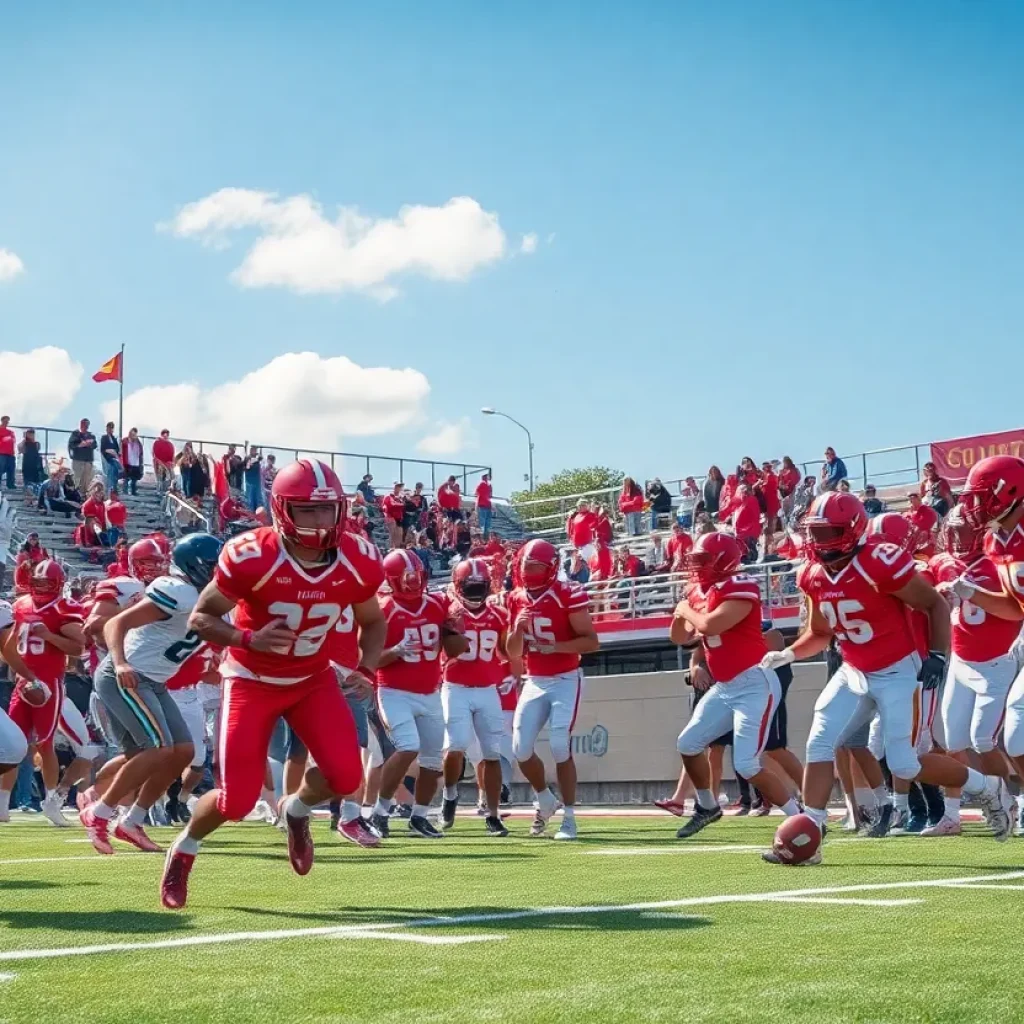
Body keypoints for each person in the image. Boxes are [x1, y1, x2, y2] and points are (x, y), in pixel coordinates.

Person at [159, 460, 387, 909]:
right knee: (237, 800)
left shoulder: (358, 557)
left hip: (312, 679)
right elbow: (201, 618)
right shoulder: (253, 555)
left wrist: (366, 668)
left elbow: (373, 620)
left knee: (345, 776)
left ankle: (296, 808)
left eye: (329, 510)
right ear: (283, 510)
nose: (322, 522)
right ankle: (184, 848)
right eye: (308, 511)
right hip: (251, 680)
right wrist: (247, 637)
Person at [759, 491, 1014, 864]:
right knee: (819, 741)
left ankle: (989, 788)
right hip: (854, 670)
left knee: (906, 764)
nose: (820, 541)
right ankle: (811, 831)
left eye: (828, 531)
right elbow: (819, 631)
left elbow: (934, 604)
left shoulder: (878, 562)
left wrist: (939, 656)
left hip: (897, 671)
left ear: (851, 528)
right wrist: (789, 652)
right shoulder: (812, 574)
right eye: (815, 532)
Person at [80, 534, 223, 856]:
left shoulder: (213, 599)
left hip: (155, 682)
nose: (220, 571)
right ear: (195, 565)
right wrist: (118, 663)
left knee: (184, 750)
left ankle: (133, 819)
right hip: (128, 676)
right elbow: (116, 623)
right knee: (157, 747)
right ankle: (99, 811)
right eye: (213, 565)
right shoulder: (178, 591)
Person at [670, 533, 803, 840]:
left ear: (723, 561)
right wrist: (682, 612)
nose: (697, 568)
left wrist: (685, 608)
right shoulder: (699, 591)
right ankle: (707, 806)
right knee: (687, 743)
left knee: (746, 763)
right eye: (695, 561)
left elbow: (709, 626)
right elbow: (680, 637)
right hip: (726, 686)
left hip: (755, 682)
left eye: (703, 561)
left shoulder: (740, 586)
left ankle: (803, 820)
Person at [923, 509, 1021, 835]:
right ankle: (952, 815)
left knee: (984, 740)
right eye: (952, 532)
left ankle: (1011, 802)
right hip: (961, 662)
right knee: (954, 740)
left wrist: (971, 592)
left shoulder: (999, 563)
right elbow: (925, 575)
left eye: (963, 532)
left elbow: (1013, 608)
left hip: (997, 663)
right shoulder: (945, 562)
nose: (955, 539)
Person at [369, 550, 467, 840]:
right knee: (408, 746)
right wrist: (395, 652)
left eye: (417, 576)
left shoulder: (437, 604)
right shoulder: (384, 609)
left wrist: (455, 628)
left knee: (433, 761)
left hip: (430, 692)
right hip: (393, 691)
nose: (414, 582)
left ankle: (420, 816)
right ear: (393, 579)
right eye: (408, 577)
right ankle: (380, 811)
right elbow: (370, 659)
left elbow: (456, 649)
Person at [506, 539, 600, 840]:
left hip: (565, 677)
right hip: (534, 679)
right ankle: (545, 798)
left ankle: (569, 817)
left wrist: (555, 647)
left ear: (550, 568)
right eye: (525, 566)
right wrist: (518, 630)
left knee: (560, 745)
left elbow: (591, 642)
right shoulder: (516, 597)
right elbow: (511, 651)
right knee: (520, 748)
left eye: (535, 567)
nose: (529, 572)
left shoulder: (568, 593)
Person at [956, 456, 1024, 807]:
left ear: (1009, 490)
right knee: (1014, 738)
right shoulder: (996, 541)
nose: (975, 507)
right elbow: (1014, 606)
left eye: (982, 497)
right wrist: (972, 594)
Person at [0, 560, 85, 827]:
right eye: (38, 583)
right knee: (12, 746)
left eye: (47, 584)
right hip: (24, 682)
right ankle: (2, 804)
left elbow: (78, 648)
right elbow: (11, 644)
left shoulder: (65, 608)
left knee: (44, 744)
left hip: (49, 685)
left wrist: (49, 635)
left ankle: (51, 802)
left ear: (59, 585)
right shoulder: (21, 604)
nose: (42, 589)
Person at [439, 560, 513, 836]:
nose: (474, 592)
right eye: (470, 587)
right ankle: (450, 794)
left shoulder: (499, 614)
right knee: (455, 745)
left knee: (492, 754)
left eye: (479, 587)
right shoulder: (449, 612)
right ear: (458, 586)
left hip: (486, 689)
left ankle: (492, 815)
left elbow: (508, 650)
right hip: (455, 686)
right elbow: (446, 646)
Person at [730, 485, 762, 563]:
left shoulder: (741, 502)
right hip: (750, 531)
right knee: (750, 552)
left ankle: (749, 567)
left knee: (745, 553)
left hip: (743, 532)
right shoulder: (752, 500)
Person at [68, 418, 97, 493]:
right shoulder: (76, 434)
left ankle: (84, 496)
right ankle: (76, 495)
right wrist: (80, 445)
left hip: (88, 461)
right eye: (84, 424)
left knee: (87, 480)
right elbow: (71, 444)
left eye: (87, 424)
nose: (85, 426)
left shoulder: (91, 435)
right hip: (78, 461)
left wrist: (89, 443)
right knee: (77, 479)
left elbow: (95, 445)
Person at [18, 428, 44, 502]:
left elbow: (37, 450)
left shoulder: (37, 443)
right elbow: (20, 450)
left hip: (35, 466)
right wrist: (24, 439)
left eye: (32, 433)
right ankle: (28, 500)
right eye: (29, 433)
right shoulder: (24, 443)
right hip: (27, 465)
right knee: (27, 483)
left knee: (36, 484)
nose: (31, 435)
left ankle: (35, 499)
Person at [382, 483, 406, 549]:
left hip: (399, 519)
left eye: (400, 487)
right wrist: (402, 504)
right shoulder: (389, 496)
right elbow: (391, 505)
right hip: (390, 518)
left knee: (398, 536)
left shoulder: (401, 498)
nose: (398, 488)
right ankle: (389, 549)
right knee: (391, 535)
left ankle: (396, 550)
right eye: (397, 486)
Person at [100, 422, 122, 494]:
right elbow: (102, 449)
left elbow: (117, 449)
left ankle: (114, 488)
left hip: (114, 458)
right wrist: (110, 451)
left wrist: (115, 453)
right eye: (109, 428)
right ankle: (110, 489)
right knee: (112, 470)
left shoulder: (114, 438)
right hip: (107, 458)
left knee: (116, 470)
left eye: (112, 428)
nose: (110, 429)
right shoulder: (104, 438)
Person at [121, 427, 144, 496]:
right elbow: (122, 448)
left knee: (134, 479)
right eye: (132, 433)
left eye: (135, 433)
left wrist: (141, 462)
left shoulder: (138, 441)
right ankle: (125, 491)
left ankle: (133, 491)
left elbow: (140, 451)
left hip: (135, 462)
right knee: (126, 477)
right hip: (127, 462)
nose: (133, 435)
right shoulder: (125, 440)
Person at [152, 430, 176, 495]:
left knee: (171, 477)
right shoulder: (157, 442)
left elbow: (172, 455)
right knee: (160, 478)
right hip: (159, 463)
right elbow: (155, 455)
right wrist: (161, 464)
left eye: (167, 435)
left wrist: (172, 463)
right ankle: (159, 491)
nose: (165, 436)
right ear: (162, 435)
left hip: (168, 464)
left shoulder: (170, 445)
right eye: (164, 435)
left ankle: (167, 492)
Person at [475, 474, 493, 539]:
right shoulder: (488, 485)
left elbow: (476, 493)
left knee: (483, 524)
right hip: (487, 506)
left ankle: (483, 539)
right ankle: (485, 539)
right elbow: (490, 495)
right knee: (486, 524)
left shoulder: (483, 484)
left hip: (483, 506)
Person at [0, 415, 15, 491]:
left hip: (10, 454)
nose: (6, 422)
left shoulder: (11, 432)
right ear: (2, 421)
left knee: (11, 470)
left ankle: (10, 484)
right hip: (1, 453)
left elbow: (13, 440)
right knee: (0, 468)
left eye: (7, 421)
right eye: (5, 420)